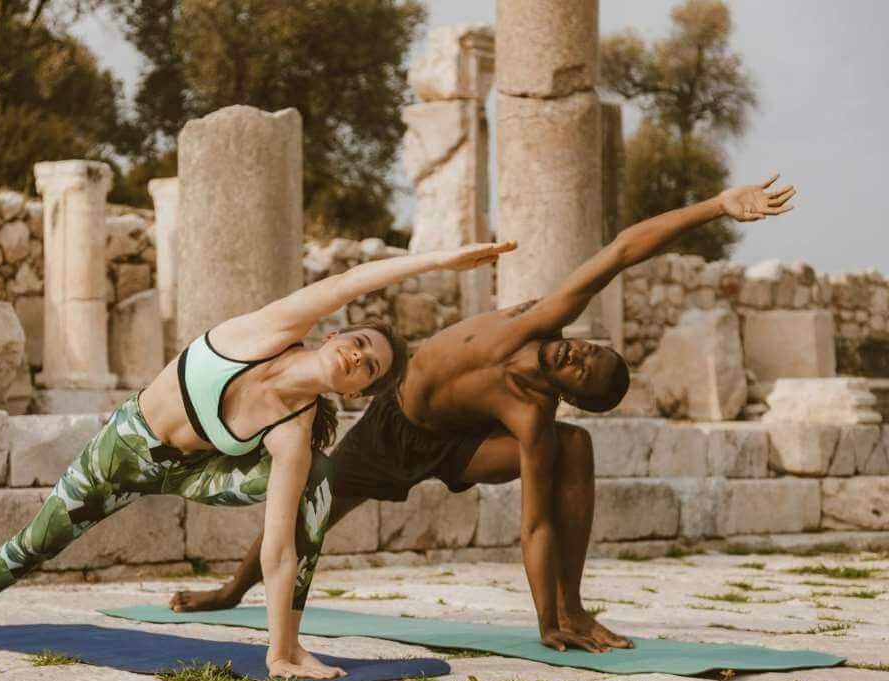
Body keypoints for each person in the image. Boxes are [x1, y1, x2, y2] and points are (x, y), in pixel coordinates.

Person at [171, 175, 796, 654]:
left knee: (571, 450)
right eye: (589, 349)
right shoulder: (540, 320)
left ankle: (570, 610)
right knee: (313, 505)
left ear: (573, 392)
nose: (577, 352)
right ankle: (232, 590)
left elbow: (534, 526)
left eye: (583, 369)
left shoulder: (532, 414)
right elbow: (623, 251)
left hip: (458, 445)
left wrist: (544, 620)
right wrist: (717, 206)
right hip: (393, 429)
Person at [0, 239, 517, 679]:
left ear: (356, 392)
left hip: (198, 472)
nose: (358, 358)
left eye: (370, 368)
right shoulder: (264, 332)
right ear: (335, 337)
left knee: (316, 483)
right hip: (128, 448)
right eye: (358, 345)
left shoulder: (293, 431)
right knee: (43, 537)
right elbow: (351, 282)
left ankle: (286, 648)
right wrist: (443, 259)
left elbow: (279, 546)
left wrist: (280, 650)